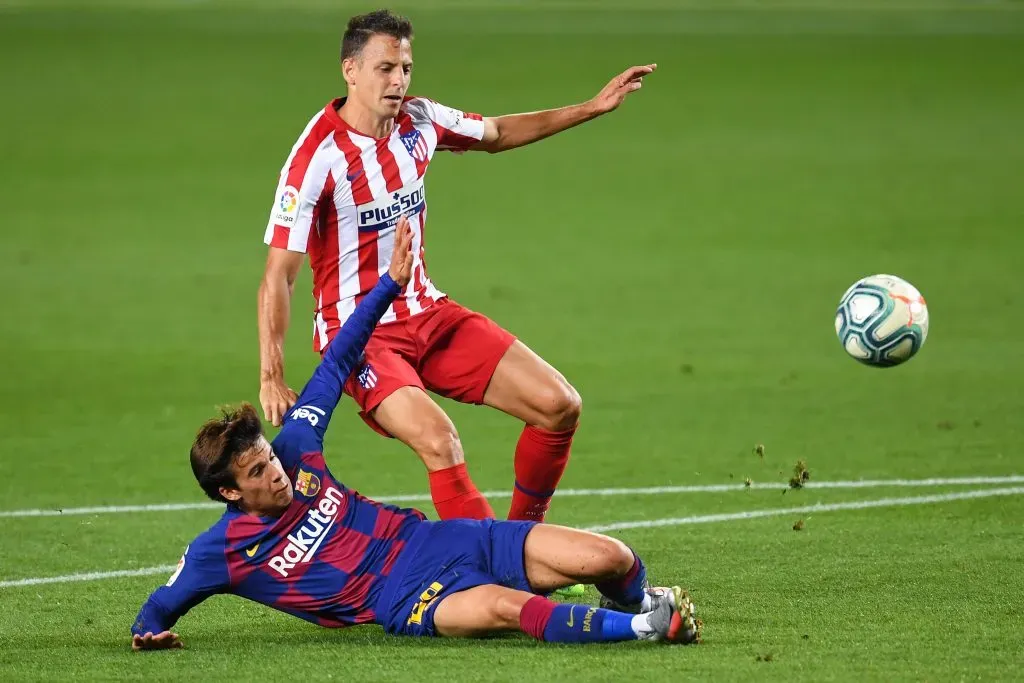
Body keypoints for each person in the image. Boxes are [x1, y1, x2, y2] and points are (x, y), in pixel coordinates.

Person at [134, 218, 699, 650]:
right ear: (230, 492)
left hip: (437, 540)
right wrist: (149, 633)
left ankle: (641, 600)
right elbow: (161, 605)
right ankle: (644, 628)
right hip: (402, 597)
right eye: (258, 471)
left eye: (267, 458)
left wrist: (388, 285)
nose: (275, 471)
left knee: (611, 557)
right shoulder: (221, 552)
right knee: (505, 607)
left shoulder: (296, 449)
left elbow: (336, 363)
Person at [257, 9, 657, 530]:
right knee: (439, 440)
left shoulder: (420, 121)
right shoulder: (316, 156)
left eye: (405, 67)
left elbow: (495, 132)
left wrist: (592, 107)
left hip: (428, 312)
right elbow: (279, 274)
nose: (398, 80)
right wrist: (272, 374)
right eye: (385, 68)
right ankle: (491, 579)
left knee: (559, 405)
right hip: (360, 337)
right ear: (350, 70)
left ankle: (523, 543)